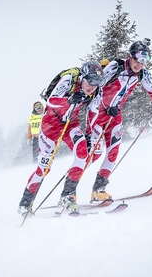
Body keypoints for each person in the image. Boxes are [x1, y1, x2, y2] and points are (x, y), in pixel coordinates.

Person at [17, 61, 105, 216]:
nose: (92, 86)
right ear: (83, 77)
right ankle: (25, 204)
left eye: (97, 83)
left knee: (83, 155)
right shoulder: (69, 79)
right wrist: (69, 100)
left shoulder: (96, 92)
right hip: (50, 124)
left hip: (71, 123)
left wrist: (89, 135)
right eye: (90, 81)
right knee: (44, 169)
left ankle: (67, 195)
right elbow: (51, 101)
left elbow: (93, 113)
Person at [87, 38, 152, 202]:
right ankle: (69, 189)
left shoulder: (142, 73)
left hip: (115, 115)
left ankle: (99, 190)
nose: (140, 64)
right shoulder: (116, 66)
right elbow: (98, 84)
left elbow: (151, 89)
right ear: (130, 56)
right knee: (94, 154)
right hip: (98, 113)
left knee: (113, 152)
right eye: (138, 59)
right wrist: (103, 104)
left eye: (144, 61)